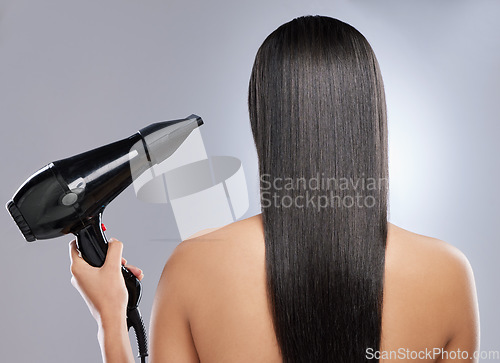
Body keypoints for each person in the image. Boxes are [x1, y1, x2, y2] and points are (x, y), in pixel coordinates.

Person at [69, 15, 480, 363]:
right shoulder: (448, 274)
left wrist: (111, 316)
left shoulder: (193, 268)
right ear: (369, 118)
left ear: (265, 121)